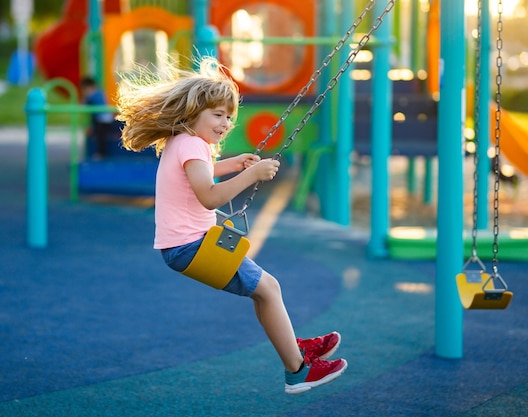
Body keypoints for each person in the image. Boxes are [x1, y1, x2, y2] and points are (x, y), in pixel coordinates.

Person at [115, 57, 347, 394]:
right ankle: (297, 370)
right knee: (267, 290)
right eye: (218, 114)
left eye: (229, 117)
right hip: (190, 246)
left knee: (268, 289)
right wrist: (250, 174)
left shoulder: (185, 142)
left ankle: (294, 350)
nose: (226, 124)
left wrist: (230, 164)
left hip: (187, 245)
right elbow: (208, 197)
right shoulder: (193, 145)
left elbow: (198, 175)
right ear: (194, 111)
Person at [80, 76, 116, 158]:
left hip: (104, 119)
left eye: (85, 90)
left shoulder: (95, 94)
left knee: (101, 137)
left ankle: (101, 153)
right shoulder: (99, 93)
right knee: (99, 134)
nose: (84, 92)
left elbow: (84, 103)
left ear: (90, 87)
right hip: (101, 119)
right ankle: (100, 152)